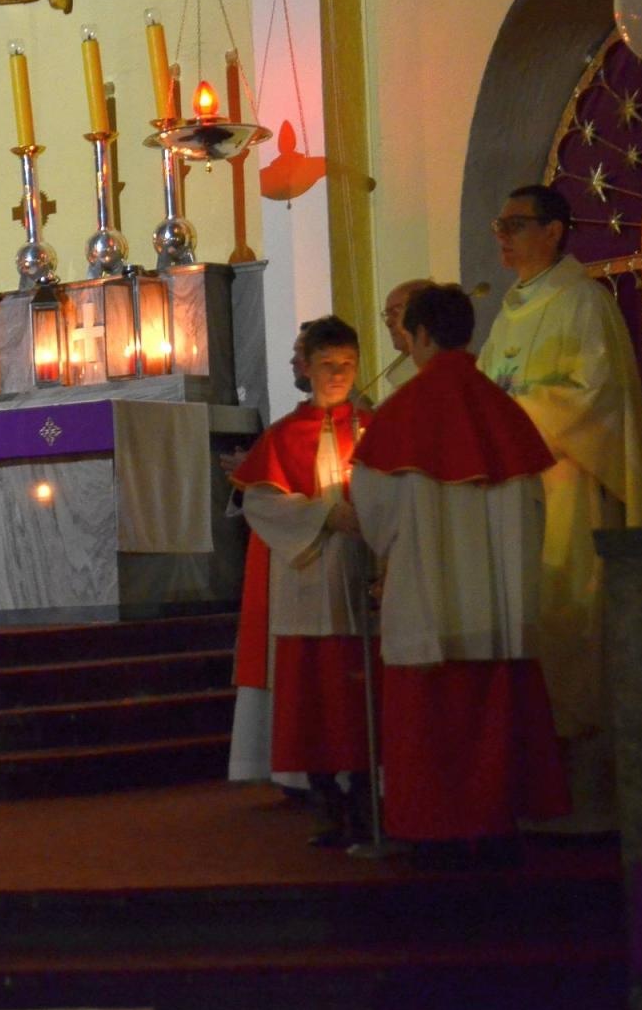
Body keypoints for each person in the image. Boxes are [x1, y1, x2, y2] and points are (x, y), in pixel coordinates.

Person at [351, 284, 570, 867]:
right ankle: (493, 824)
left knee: (428, 730)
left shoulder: (400, 414)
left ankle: (429, 829)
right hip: (496, 609)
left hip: (427, 603)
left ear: (421, 336)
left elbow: (375, 514)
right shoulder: (505, 412)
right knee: (494, 722)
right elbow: (534, 507)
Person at [477, 183, 642, 830]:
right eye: (500, 223)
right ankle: (540, 790)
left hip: (569, 499)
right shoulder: (509, 313)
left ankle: (589, 801)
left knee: (574, 635)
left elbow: (598, 401)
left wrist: (511, 414)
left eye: (516, 223)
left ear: (554, 231)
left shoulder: (583, 303)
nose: (502, 234)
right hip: (517, 501)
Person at [229, 315, 375, 846]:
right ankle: (326, 802)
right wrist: (321, 517)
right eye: (327, 365)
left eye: (348, 365)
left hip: (360, 573)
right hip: (308, 579)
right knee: (313, 699)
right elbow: (261, 501)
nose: (338, 374)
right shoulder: (286, 435)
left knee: (358, 699)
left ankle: (364, 796)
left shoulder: (374, 426)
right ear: (307, 368)